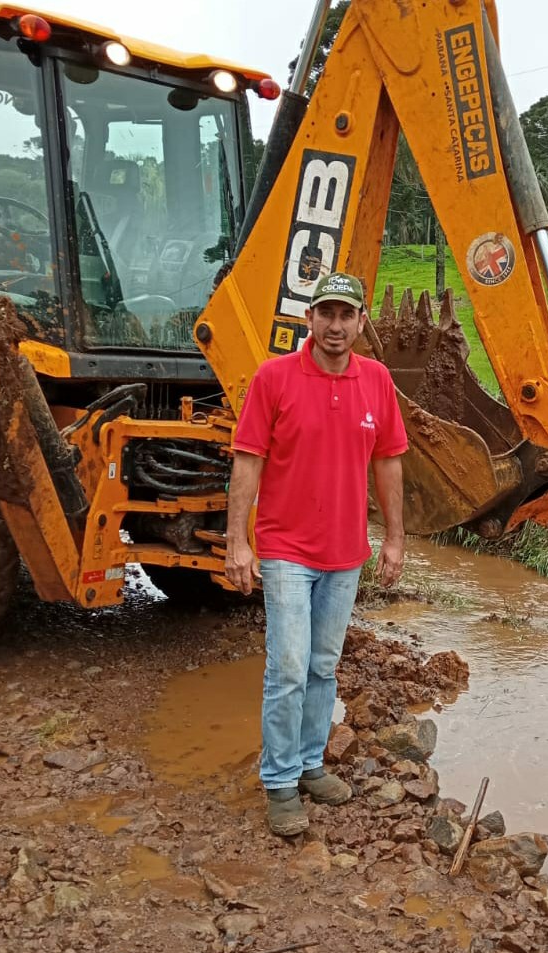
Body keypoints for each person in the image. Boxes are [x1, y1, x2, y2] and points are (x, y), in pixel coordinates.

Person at [226, 272, 407, 837]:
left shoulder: (376, 380)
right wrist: (238, 540)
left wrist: (395, 538)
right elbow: (248, 461)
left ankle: (309, 764)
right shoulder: (274, 377)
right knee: (286, 667)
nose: (335, 325)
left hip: (347, 553)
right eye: (325, 313)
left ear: (360, 322)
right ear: (310, 319)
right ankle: (279, 783)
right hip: (285, 549)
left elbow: (389, 462)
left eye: (346, 315)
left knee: (323, 665)